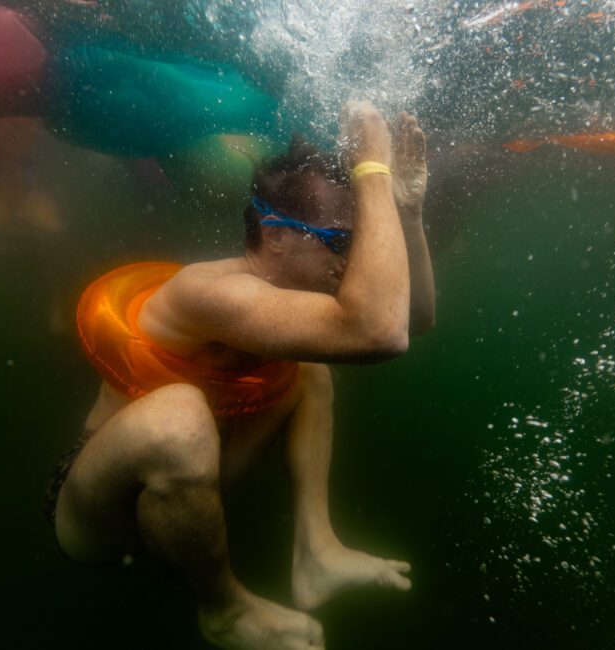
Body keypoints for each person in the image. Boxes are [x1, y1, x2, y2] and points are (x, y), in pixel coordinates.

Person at [45, 101, 435, 650]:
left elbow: (411, 318)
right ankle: (223, 610)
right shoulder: (213, 294)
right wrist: (372, 166)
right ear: (275, 235)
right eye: (342, 242)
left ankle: (316, 549)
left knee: (313, 366)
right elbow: (380, 332)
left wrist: (408, 210)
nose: (352, 262)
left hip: (203, 480)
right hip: (104, 512)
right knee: (177, 417)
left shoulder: (293, 301)